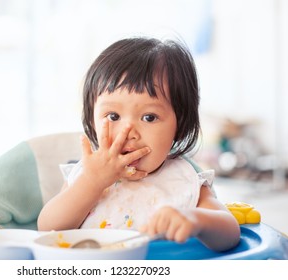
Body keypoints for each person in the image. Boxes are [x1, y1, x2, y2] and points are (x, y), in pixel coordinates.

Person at [37, 37, 240, 251]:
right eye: (113, 116)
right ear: (91, 118)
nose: (128, 133)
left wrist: (197, 220)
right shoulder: (87, 174)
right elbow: (48, 228)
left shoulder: (184, 180)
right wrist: (91, 182)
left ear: (179, 125)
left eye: (149, 117)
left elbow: (230, 233)